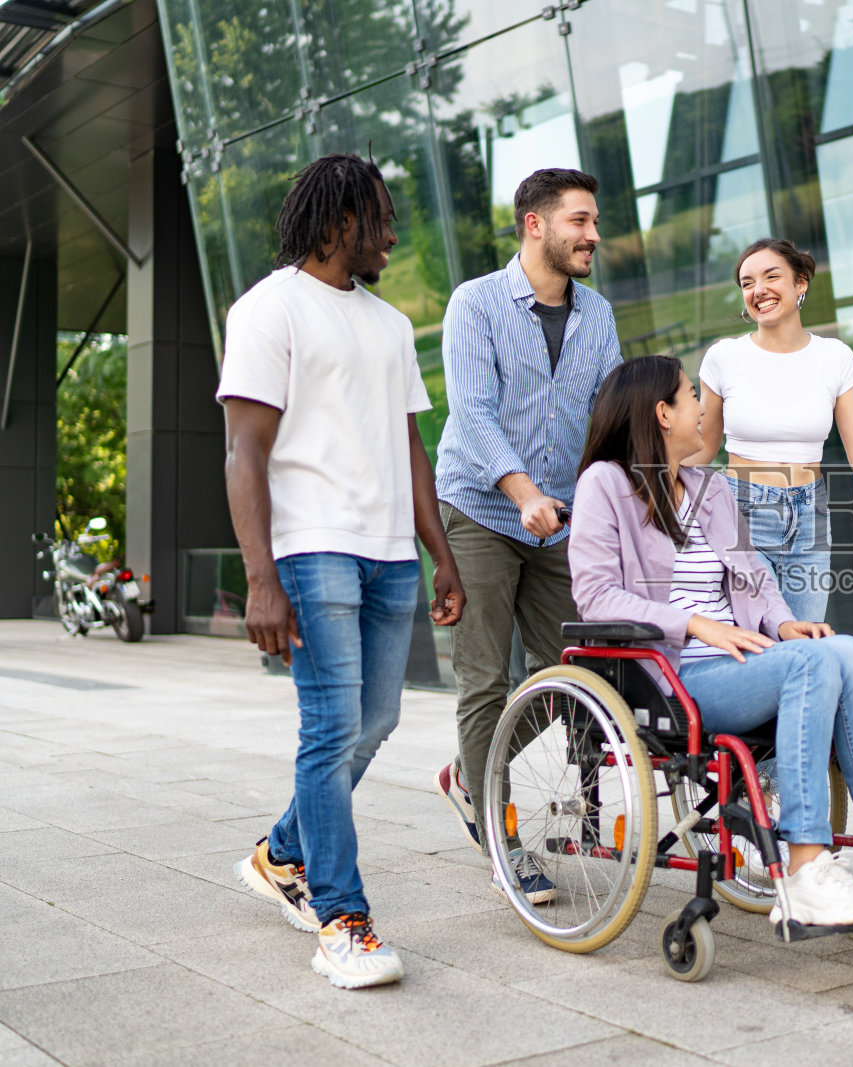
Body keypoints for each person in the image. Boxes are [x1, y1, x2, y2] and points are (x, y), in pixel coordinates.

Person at [568, 355, 853, 927]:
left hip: (739, 661)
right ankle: (805, 865)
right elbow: (596, 595)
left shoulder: (707, 487)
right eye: (690, 397)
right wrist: (696, 625)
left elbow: (752, 573)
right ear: (662, 414)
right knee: (810, 664)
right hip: (674, 676)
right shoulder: (604, 484)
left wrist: (782, 624)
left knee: (847, 650)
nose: (702, 406)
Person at [221, 153, 465, 990]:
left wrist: (442, 555)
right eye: (381, 217)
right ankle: (342, 916)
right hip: (312, 547)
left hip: (391, 552)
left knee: (378, 720)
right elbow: (243, 453)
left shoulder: (392, 326)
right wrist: (260, 577)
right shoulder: (267, 310)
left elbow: (412, 450)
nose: (393, 233)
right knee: (329, 730)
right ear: (337, 221)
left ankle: (282, 851)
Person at [430, 168, 622, 901]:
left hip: (562, 519)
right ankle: (500, 833)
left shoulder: (596, 314)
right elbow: (472, 412)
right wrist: (522, 491)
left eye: (595, 221)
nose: (593, 235)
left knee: (576, 673)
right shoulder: (475, 303)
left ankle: (467, 774)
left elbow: (607, 418)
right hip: (482, 506)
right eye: (580, 220)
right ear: (535, 225)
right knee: (485, 678)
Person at [684, 238, 853, 621]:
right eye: (747, 283)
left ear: (801, 283)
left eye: (771, 277)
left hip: (810, 516)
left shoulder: (835, 357)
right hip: (741, 513)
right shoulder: (724, 357)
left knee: (805, 641)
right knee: (763, 637)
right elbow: (703, 448)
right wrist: (646, 489)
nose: (759, 290)